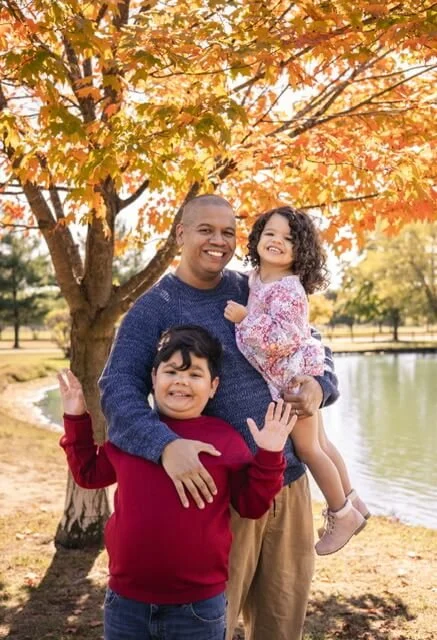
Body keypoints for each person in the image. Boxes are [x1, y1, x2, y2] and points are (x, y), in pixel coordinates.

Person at [99, 194, 340, 640]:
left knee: (281, 626)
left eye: (228, 231)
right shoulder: (156, 307)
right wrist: (164, 445)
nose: (219, 241)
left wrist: (319, 384)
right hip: (221, 493)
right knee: (216, 627)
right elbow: (117, 389)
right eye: (205, 230)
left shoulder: (253, 284)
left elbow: (309, 342)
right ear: (181, 234)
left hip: (287, 481)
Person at [59, 325, 296, 640]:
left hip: (198, 607)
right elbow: (88, 475)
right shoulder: (133, 435)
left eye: (195, 374)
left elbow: (252, 506)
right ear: (154, 378)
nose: (182, 380)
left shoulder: (225, 440)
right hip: (126, 601)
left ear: (213, 387)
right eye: (172, 371)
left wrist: (269, 454)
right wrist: (76, 418)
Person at [224, 206, 370, 556]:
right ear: (257, 237)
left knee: (309, 449)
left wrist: (246, 319)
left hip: (292, 382)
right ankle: (354, 501)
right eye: (270, 233)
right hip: (295, 372)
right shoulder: (259, 277)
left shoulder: (288, 289)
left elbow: (284, 338)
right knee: (323, 442)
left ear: (300, 251)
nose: (276, 241)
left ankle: (341, 513)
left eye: (288, 239)